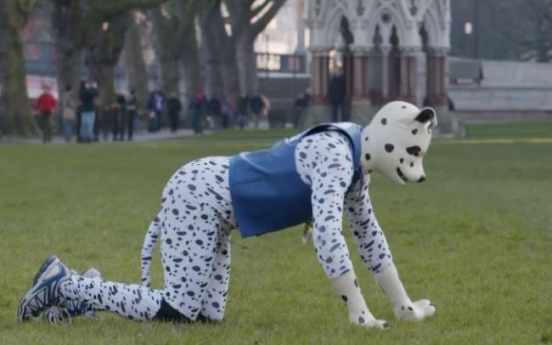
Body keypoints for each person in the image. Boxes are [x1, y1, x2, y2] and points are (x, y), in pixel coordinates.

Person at [17, 101, 438, 328]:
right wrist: (358, 312)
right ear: (389, 135)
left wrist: (403, 306)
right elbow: (330, 234)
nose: (415, 165)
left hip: (219, 207)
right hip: (200, 194)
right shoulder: (336, 153)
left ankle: (85, 290)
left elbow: (368, 235)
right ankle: (65, 284)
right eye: (413, 151)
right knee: (178, 310)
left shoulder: (353, 166)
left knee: (206, 318)